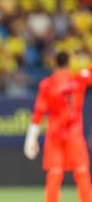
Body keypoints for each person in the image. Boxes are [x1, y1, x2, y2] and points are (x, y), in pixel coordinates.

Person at [24, 51, 92, 202]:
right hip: (74, 134)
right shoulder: (79, 79)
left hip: (55, 135)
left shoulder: (47, 84)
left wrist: (31, 138)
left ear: (54, 63)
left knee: (54, 174)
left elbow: (39, 112)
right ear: (69, 62)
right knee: (82, 173)